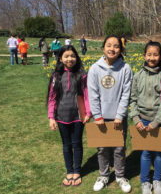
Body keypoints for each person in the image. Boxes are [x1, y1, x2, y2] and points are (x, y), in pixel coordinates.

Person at [87, 35, 132, 193]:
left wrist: (120, 115)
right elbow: (92, 95)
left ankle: (120, 176)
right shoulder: (94, 69)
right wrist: (97, 115)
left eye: (116, 46)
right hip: (101, 118)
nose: (112, 49)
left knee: (119, 148)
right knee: (102, 149)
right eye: (109, 45)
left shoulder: (125, 69)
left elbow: (126, 94)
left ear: (121, 49)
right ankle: (104, 175)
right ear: (103, 48)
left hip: (119, 118)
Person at [47, 45, 91, 187]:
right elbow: (52, 98)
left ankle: (77, 171)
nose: (70, 59)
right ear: (61, 58)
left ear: (76, 57)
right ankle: (69, 171)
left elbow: (86, 95)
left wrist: (88, 113)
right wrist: (51, 117)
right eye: (66, 56)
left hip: (78, 115)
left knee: (77, 143)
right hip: (61, 116)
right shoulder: (56, 76)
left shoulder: (82, 74)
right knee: (66, 145)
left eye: (72, 56)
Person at [130, 41, 161, 194]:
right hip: (143, 120)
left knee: (159, 152)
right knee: (145, 152)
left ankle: (157, 180)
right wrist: (136, 119)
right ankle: (145, 182)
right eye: (149, 54)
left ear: (160, 56)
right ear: (144, 56)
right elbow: (132, 100)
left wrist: (157, 121)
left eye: (155, 54)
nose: (152, 58)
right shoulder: (137, 76)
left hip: (160, 121)